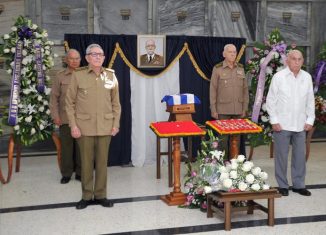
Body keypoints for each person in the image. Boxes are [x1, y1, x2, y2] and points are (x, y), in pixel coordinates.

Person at [65, 44, 121, 209]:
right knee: (86, 163)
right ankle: (87, 196)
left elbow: (116, 104)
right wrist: (73, 126)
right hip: (84, 128)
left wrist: (116, 124)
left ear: (104, 58)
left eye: (100, 54)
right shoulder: (78, 76)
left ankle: (101, 195)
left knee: (102, 163)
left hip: (105, 126)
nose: (97, 57)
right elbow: (69, 103)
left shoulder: (111, 76)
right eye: (93, 54)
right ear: (87, 57)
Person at [266, 49, 315, 197]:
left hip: (300, 124)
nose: (297, 62)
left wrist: (310, 119)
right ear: (287, 60)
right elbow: (271, 100)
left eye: (300, 59)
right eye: (294, 59)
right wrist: (273, 120)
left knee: (300, 156)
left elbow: (310, 100)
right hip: (282, 124)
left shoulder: (307, 77)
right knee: (281, 155)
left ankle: (299, 185)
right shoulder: (278, 77)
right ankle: (282, 185)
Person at [209, 44, 249, 159]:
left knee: (236, 139)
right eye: (230, 52)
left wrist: (245, 107)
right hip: (223, 110)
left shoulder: (240, 68)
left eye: (234, 52)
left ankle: (235, 165)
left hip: (238, 109)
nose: (233, 54)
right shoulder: (218, 68)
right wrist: (213, 108)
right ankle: (223, 164)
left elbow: (245, 89)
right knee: (223, 140)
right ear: (224, 54)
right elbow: (213, 89)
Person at [50, 49, 82, 184]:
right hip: (65, 118)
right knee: (66, 148)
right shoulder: (60, 76)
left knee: (82, 148)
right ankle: (67, 173)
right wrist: (55, 116)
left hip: (83, 118)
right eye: (71, 58)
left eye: (77, 58)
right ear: (66, 60)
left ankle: (81, 173)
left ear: (80, 60)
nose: (74, 61)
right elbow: (53, 98)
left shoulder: (86, 74)